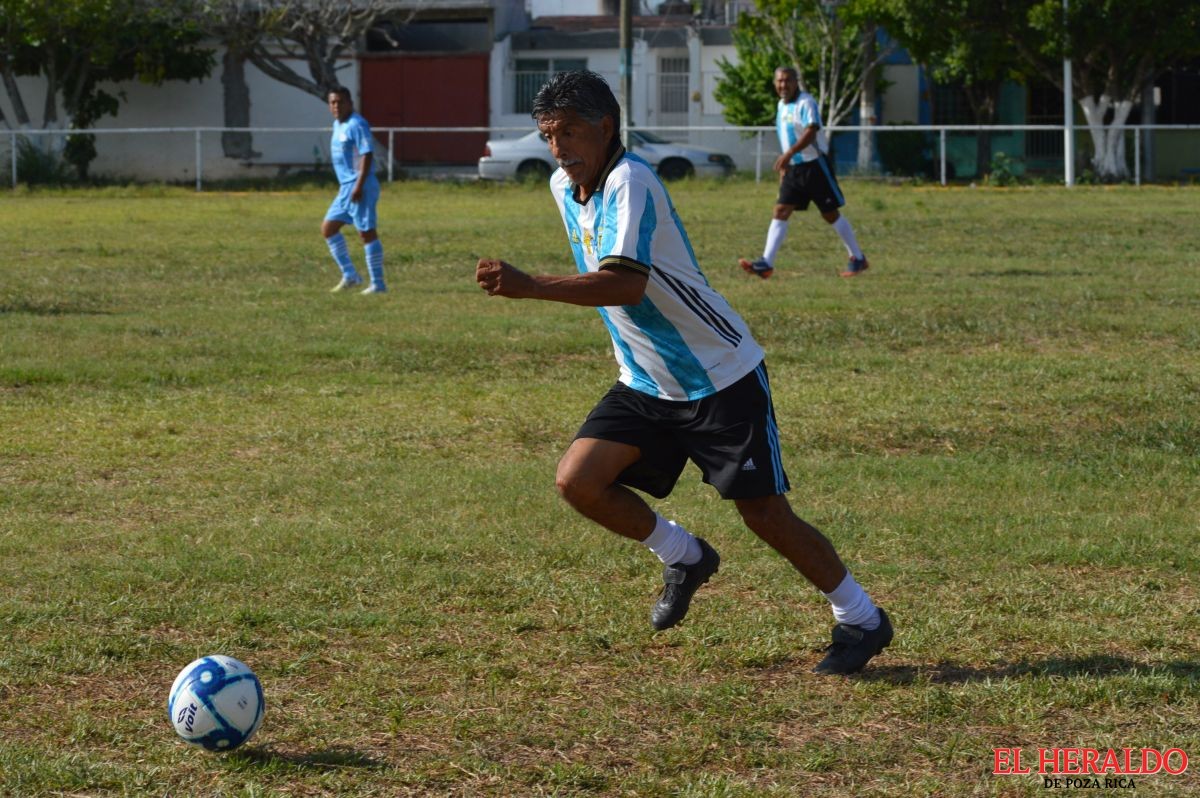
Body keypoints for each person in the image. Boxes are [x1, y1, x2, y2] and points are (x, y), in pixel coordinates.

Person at [475, 70, 892, 675]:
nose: (559, 147)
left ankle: (862, 618)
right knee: (578, 482)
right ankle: (685, 555)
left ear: (605, 127)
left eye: (569, 131)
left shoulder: (632, 181)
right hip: (645, 379)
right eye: (547, 134)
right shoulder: (563, 187)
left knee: (764, 514)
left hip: (719, 375)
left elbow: (625, 281)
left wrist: (529, 286)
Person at [739, 66, 868, 280]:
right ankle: (766, 264)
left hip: (814, 166)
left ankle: (858, 257)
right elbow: (786, 135)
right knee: (780, 210)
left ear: (796, 82)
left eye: (788, 80)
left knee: (830, 214)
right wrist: (786, 163)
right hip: (793, 169)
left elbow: (811, 130)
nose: (783, 85)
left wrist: (789, 153)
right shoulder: (781, 105)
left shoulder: (806, 102)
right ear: (775, 83)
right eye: (780, 81)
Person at [322, 86, 386, 294]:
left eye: (340, 102)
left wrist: (358, 186)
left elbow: (367, 154)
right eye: (333, 102)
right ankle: (350, 275)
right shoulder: (338, 125)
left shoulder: (357, 124)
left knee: (366, 233)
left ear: (350, 103)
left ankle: (378, 284)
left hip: (361, 185)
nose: (336, 106)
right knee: (328, 228)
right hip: (345, 188)